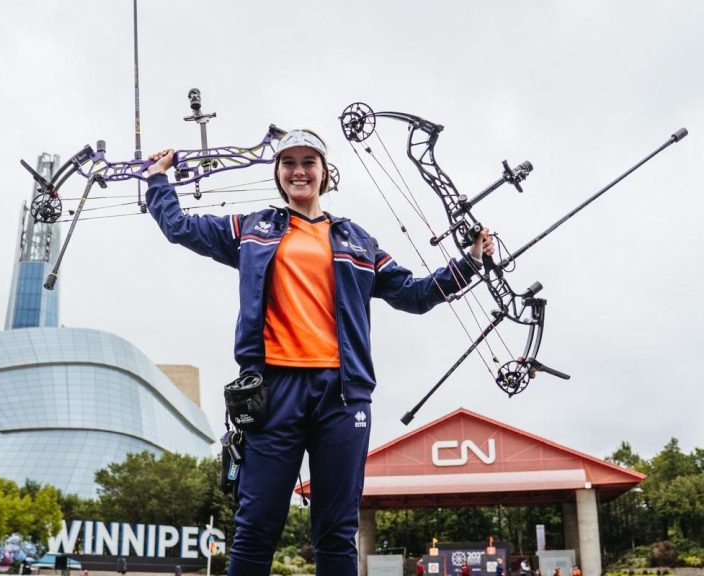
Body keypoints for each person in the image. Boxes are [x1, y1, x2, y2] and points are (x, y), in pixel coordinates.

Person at [145, 129, 494, 576]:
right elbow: (179, 227)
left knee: (337, 531)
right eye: (288, 162)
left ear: (324, 172)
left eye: (308, 162)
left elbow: (415, 293)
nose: (299, 171)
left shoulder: (358, 241)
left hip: (343, 396)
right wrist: (158, 179)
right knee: (255, 526)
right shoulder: (251, 229)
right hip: (272, 393)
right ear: (278, 173)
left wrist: (470, 261)